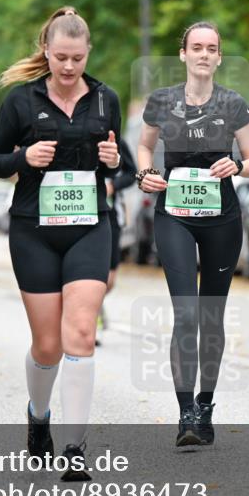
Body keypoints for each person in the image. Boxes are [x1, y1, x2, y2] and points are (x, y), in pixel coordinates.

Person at [0, 6, 121, 481]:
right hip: (34, 229)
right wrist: (25, 156)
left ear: (88, 55)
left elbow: (116, 169)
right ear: (46, 51)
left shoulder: (106, 100)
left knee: (80, 333)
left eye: (77, 59)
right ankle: (38, 416)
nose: (68, 67)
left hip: (89, 224)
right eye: (61, 57)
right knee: (46, 345)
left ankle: (75, 446)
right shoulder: (21, 102)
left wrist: (113, 159)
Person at [136, 21, 249, 447]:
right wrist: (146, 173)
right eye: (197, 47)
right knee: (186, 312)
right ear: (184, 54)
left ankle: (206, 404)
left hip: (221, 218)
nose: (204, 54)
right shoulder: (162, 102)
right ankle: (185, 411)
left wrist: (238, 167)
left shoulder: (234, 104)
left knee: (211, 316)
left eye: (212, 48)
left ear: (219, 57)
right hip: (174, 214)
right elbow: (143, 147)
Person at [96, 137, 137, 346]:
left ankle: (95, 303)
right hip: (82, 215)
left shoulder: (117, 140)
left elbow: (132, 173)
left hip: (112, 216)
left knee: (109, 280)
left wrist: (114, 184)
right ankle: (92, 316)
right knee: (91, 275)